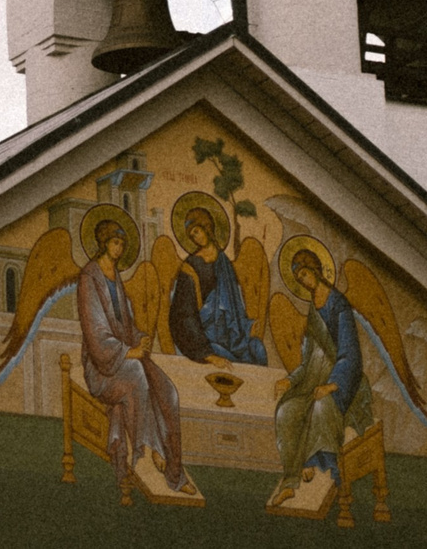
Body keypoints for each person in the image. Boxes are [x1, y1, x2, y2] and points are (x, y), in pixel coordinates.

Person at [78, 211, 194, 499]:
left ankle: (174, 468)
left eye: (122, 243)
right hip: (102, 368)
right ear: (103, 243)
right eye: (115, 242)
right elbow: (96, 334)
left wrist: (140, 338)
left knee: (167, 391)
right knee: (138, 376)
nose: (119, 248)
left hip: (126, 357)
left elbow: (127, 323)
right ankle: (153, 449)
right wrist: (129, 352)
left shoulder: (115, 278)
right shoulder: (88, 278)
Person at [273, 241, 372, 504]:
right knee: (286, 410)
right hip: (312, 379)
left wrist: (331, 385)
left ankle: (324, 467)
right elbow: (308, 360)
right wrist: (289, 380)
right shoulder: (312, 308)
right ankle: (291, 476)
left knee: (320, 406)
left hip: (342, 381)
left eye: (304, 274)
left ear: (316, 270)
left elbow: (350, 353)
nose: (303, 281)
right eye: (298, 278)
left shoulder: (338, 304)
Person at [166, 200, 268, 365]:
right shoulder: (190, 267)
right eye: (192, 236)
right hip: (207, 338)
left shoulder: (224, 262)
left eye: (197, 231)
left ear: (207, 227)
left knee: (257, 348)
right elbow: (183, 315)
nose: (196, 238)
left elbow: (235, 304)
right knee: (228, 359)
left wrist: (247, 326)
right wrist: (207, 354)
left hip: (232, 335)